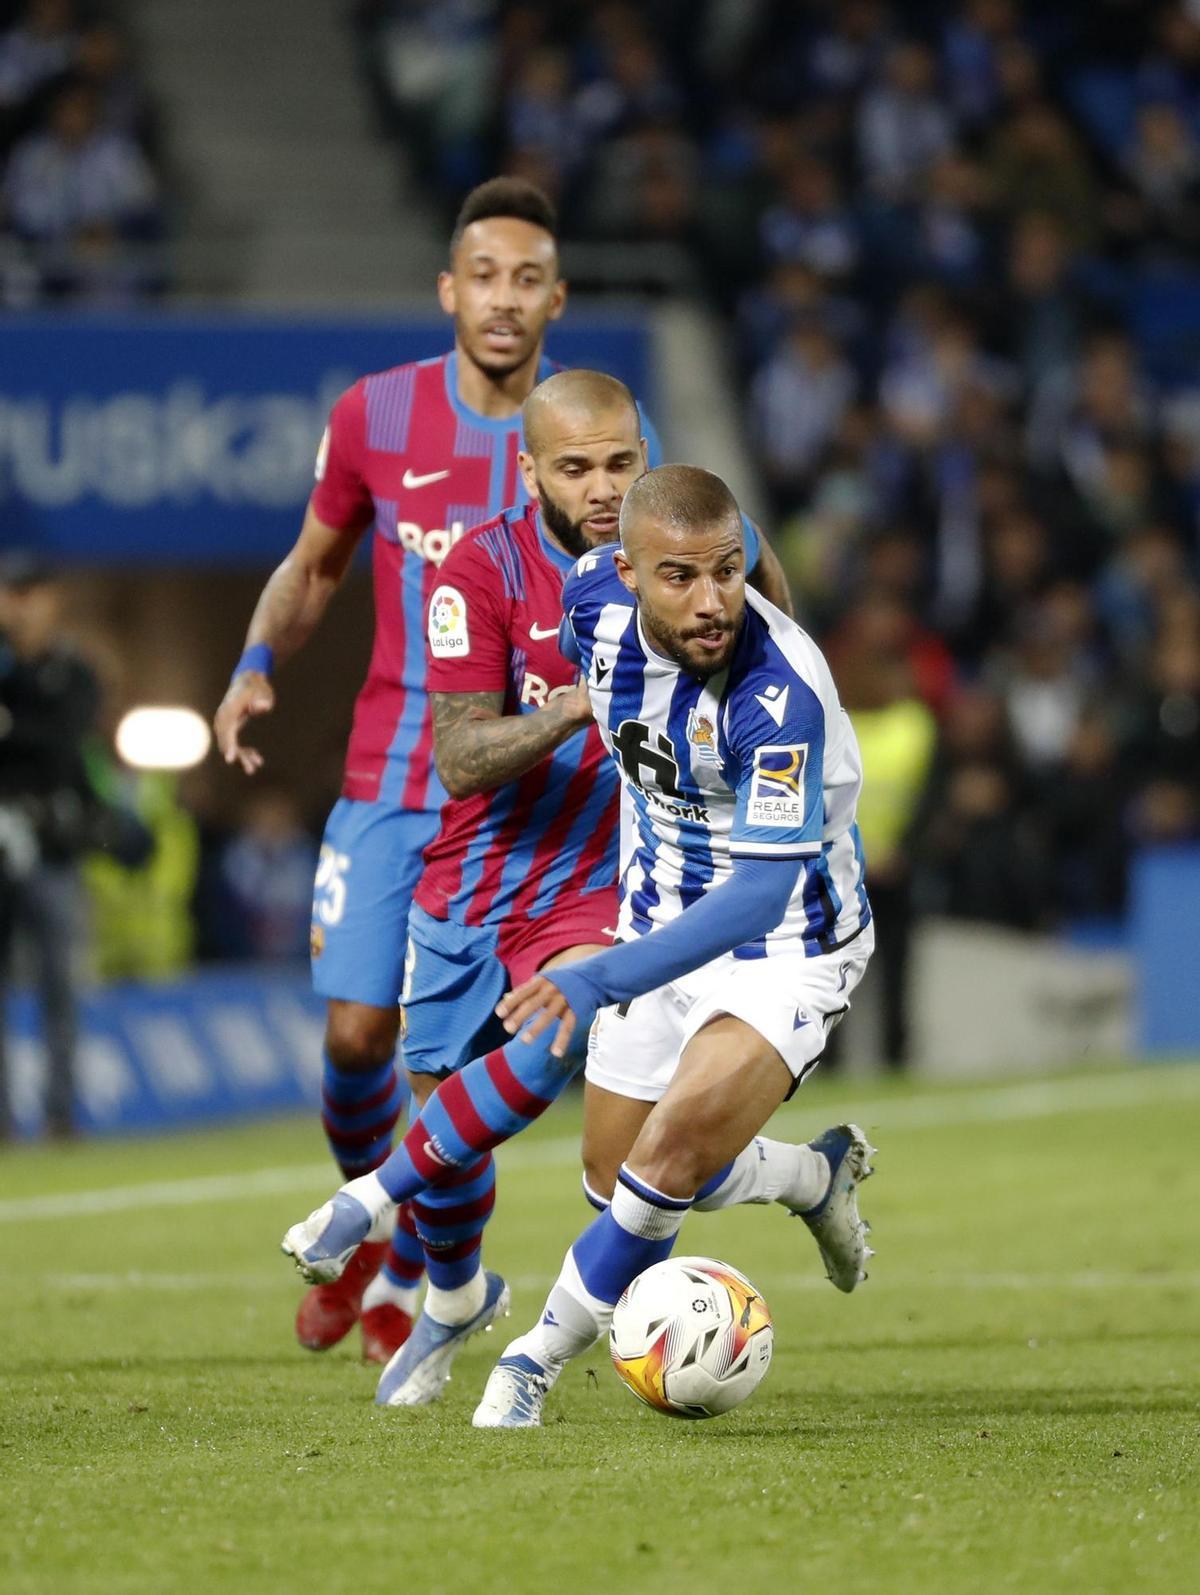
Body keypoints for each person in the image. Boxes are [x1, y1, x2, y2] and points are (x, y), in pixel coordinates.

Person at [281, 466, 874, 1428]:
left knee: (672, 1150)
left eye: (728, 571)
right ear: (628, 573)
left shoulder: (779, 697)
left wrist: (596, 975)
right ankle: (814, 1174)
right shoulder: (588, 598)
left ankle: (533, 1358)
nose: (714, 599)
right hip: (652, 914)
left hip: (784, 943)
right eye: (680, 575)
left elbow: (758, 893)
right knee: (619, 1179)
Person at [214, 177, 666, 1364]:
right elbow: (314, 565)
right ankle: (384, 1239)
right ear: (449, 290)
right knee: (360, 1037)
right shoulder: (375, 415)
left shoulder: (602, 437)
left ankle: (424, 1261)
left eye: (529, 280)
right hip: (400, 776)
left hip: (549, 802)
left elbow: (688, 563)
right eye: (485, 276)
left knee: (486, 1059)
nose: (505, 299)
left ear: (557, 298)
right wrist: (257, 660)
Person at [351, 369, 788, 1404]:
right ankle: (454, 1297)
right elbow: (460, 759)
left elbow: (786, 663)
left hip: (610, 879)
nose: (601, 487)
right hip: (475, 876)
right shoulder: (481, 568)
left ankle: (541, 1351)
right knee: (447, 1133)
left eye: (621, 462)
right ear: (530, 467)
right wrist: (578, 705)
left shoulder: (706, 550)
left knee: (598, 1099)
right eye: (576, 466)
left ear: (650, 452)